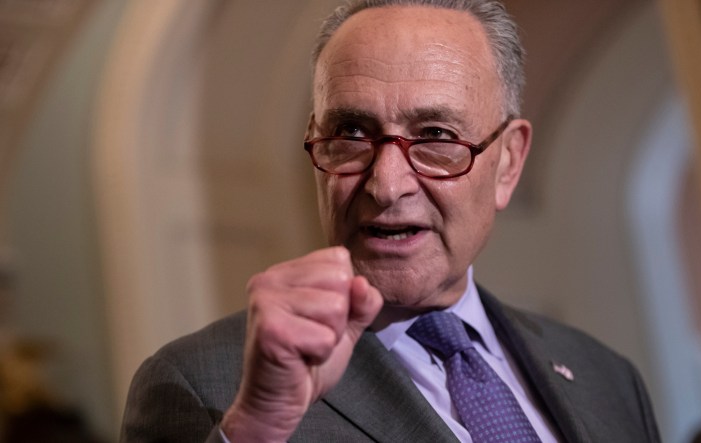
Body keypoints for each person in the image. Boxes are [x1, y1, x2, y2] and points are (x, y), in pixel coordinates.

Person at [120, 1, 661, 442]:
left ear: (509, 162)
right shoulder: (204, 385)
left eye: (436, 137)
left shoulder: (604, 377)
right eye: (351, 133)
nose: (386, 184)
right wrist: (257, 429)